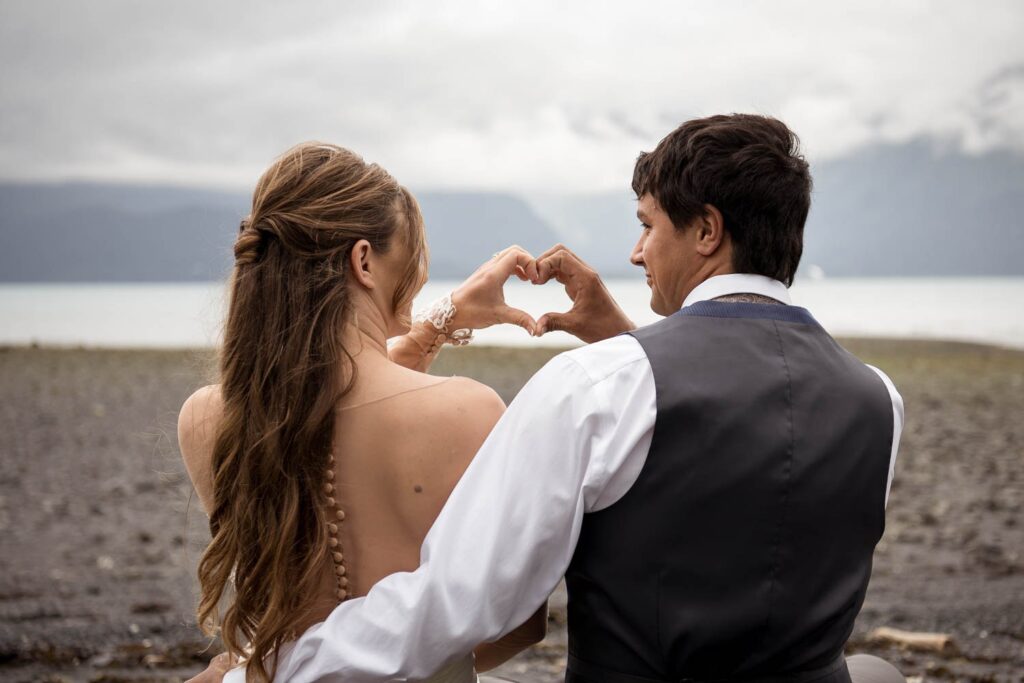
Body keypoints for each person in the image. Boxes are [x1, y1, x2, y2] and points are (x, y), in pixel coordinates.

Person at [219, 114, 909, 683]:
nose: (637, 253)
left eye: (648, 224)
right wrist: (629, 339)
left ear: (707, 230)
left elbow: (462, 599)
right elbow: (745, 444)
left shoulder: (592, 387)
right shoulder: (878, 400)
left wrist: (276, 664)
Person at [177, 142, 553, 683]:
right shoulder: (469, 412)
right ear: (362, 261)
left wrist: (440, 323)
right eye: (411, 255)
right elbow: (518, 626)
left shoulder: (209, 419)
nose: (419, 277)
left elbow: (329, 403)